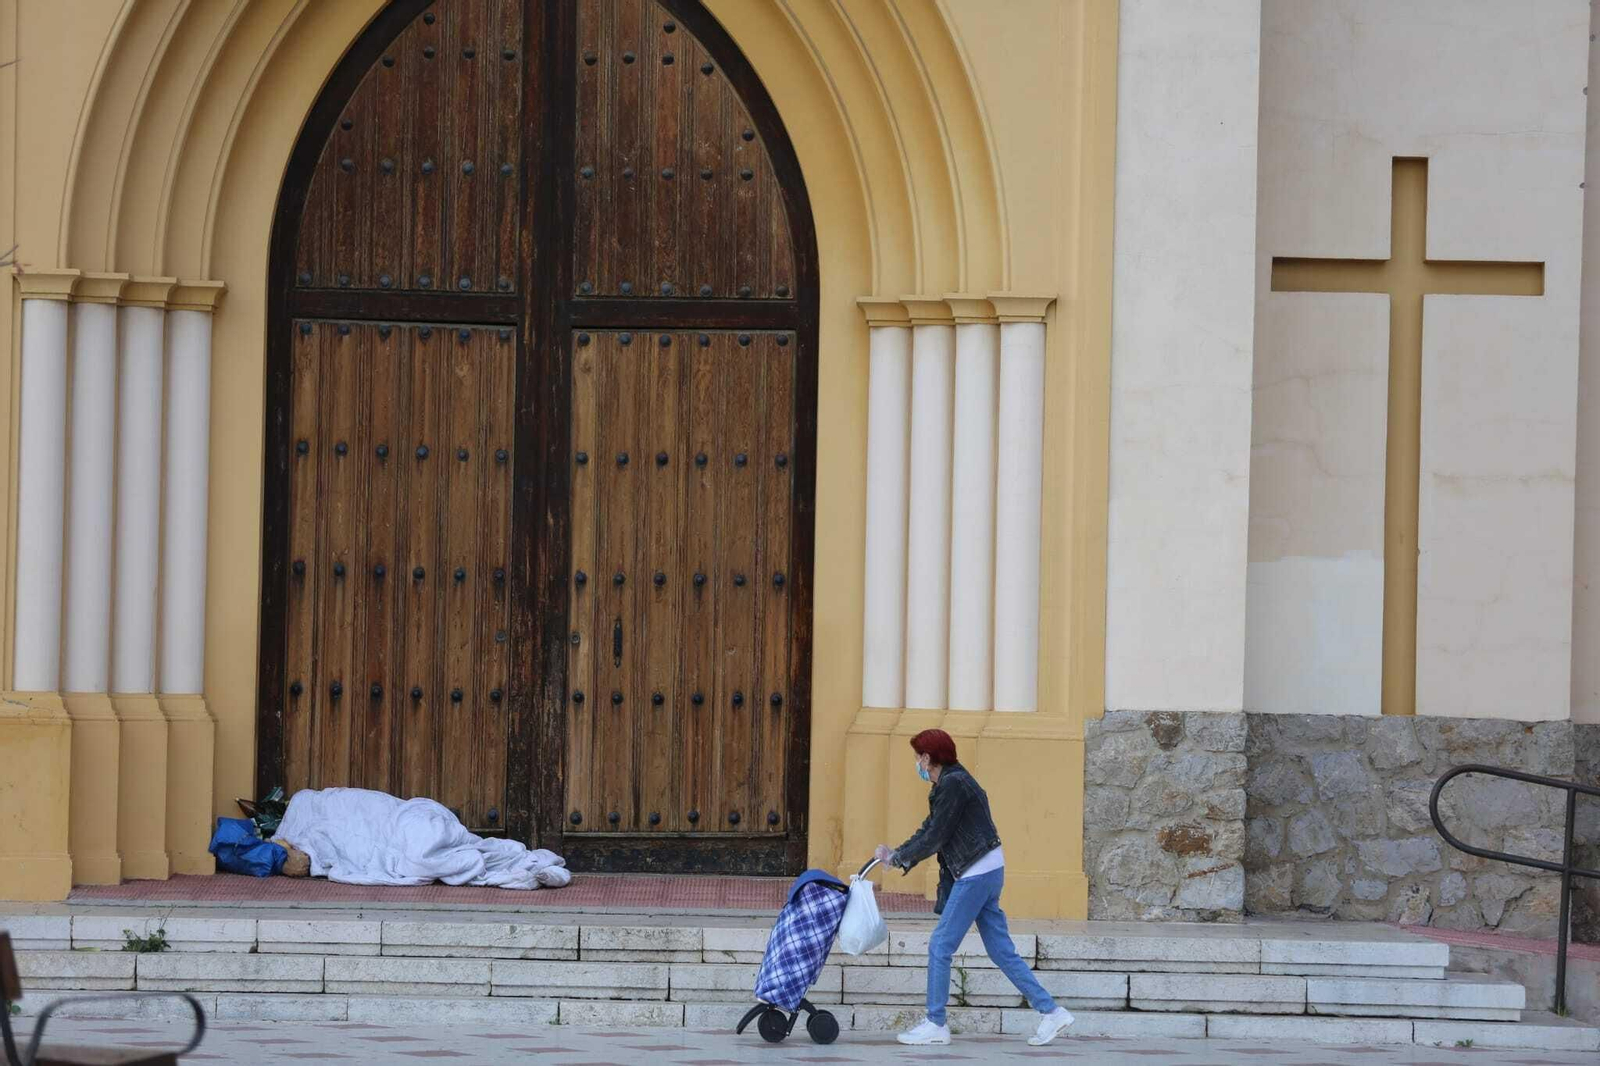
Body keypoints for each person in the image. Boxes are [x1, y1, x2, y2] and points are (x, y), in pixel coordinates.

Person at [874, 728, 1074, 1047]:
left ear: (927, 758)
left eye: (918, 756)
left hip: (976, 872)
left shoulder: (953, 783)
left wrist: (900, 858)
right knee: (1000, 949)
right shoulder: (951, 781)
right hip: (988, 869)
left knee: (941, 944)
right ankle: (1052, 1012)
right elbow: (930, 828)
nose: (916, 763)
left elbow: (936, 835)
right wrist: (897, 855)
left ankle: (936, 1023)